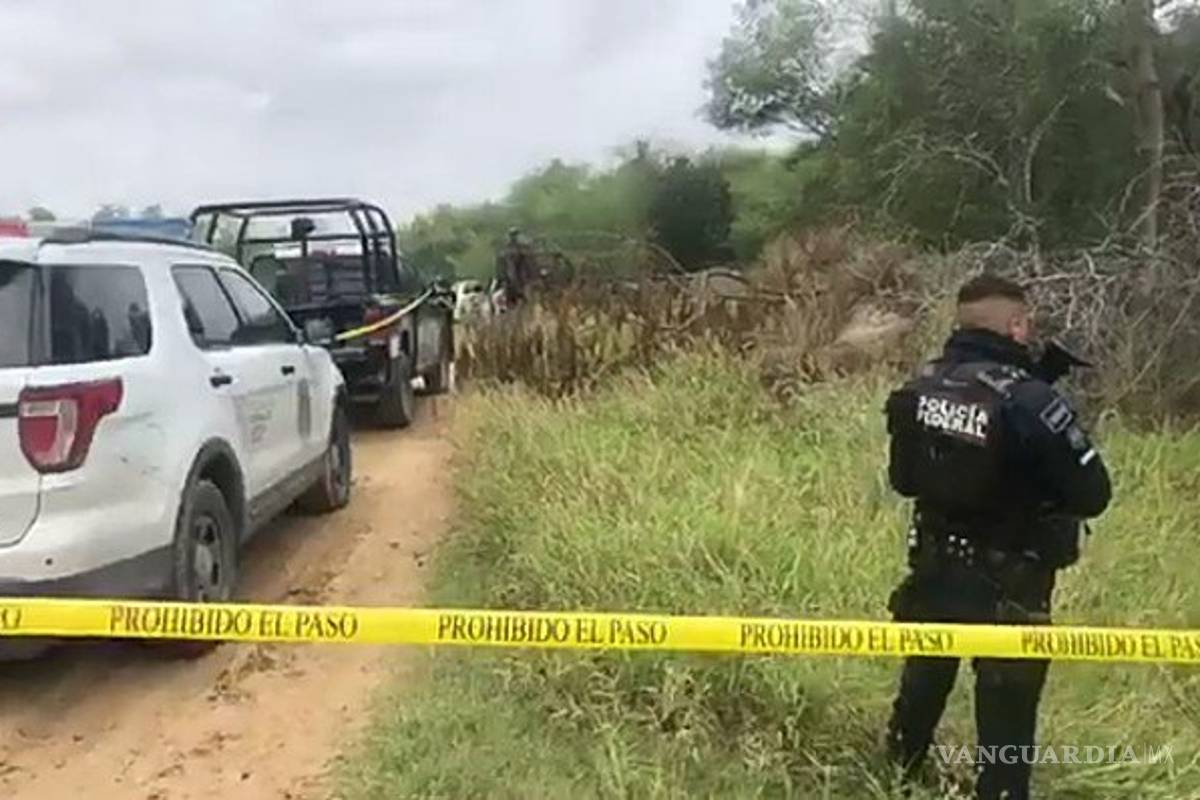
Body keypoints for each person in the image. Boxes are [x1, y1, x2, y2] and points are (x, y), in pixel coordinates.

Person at [882, 274, 1112, 800]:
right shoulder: (1030, 401)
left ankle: (900, 776)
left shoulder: (920, 386)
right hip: (1013, 582)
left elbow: (904, 480)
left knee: (923, 683)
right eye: (1025, 323)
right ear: (1015, 324)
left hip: (937, 565)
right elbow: (1093, 493)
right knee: (1006, 720)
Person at [495, 227, 535, 308]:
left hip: (520, 268)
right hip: (511, 270)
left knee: (522, 277)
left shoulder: (521, 245)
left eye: (515, 235)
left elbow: (526, 257)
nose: (514, 237)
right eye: (513, 235)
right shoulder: (507, 247)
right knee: (511, 278)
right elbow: (503, 260)